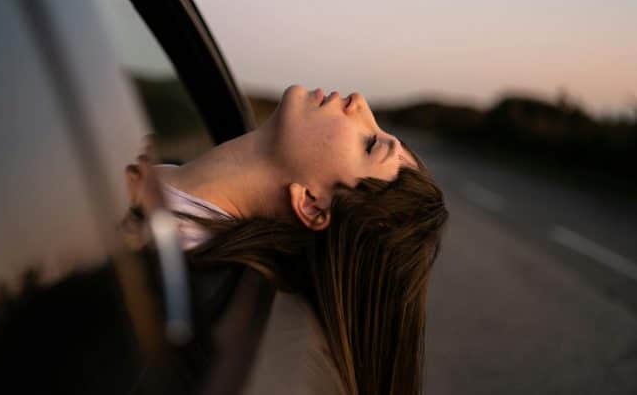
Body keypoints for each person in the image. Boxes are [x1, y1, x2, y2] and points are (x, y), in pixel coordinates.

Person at [128, 84, 449, 395]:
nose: (359, 102)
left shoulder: (152, 255)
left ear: (312, 203)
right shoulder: (159, 207)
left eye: (369, 144)